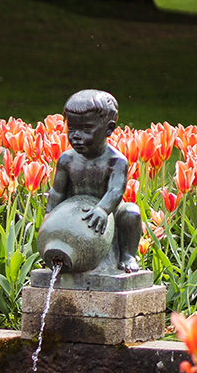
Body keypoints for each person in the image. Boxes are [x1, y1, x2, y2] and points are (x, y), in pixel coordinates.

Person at [46, 88, 142, 272]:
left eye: (86, 129)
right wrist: (49, 216)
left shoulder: (116, 161)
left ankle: (128, 255)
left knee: (131, 212)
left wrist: (102, 209)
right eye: (71, 128)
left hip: (108, 213)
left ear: (109, 129)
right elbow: (57, 192)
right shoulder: (67, 159)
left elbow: (115, 191)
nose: (76, 135)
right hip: (74, 214)